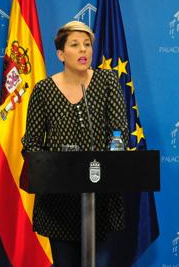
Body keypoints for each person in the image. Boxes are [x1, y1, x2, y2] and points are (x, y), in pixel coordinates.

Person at [22, 21, 129, 266]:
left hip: (100, 195)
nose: (83, 50)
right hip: (58, 200)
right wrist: (51, 170)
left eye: (87, 44)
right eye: (75, 45)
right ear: (61, 54)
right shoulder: (44, 90)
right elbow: (32, 143)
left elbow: (119, 132)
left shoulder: (107, 82)